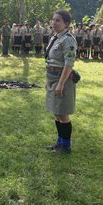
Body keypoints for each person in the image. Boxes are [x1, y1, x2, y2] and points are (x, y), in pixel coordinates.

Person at [45, 10, 77, 154]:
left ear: (66, 24)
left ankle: (66, 145)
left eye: (58, 20)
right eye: (53, 20)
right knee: (56, 112)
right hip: (52, 77)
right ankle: (59, 142)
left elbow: (69, 64)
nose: (54, 23)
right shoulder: (56, 38)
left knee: (63, 114)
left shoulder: (68, 40)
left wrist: (61, 83)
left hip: (62, 79)